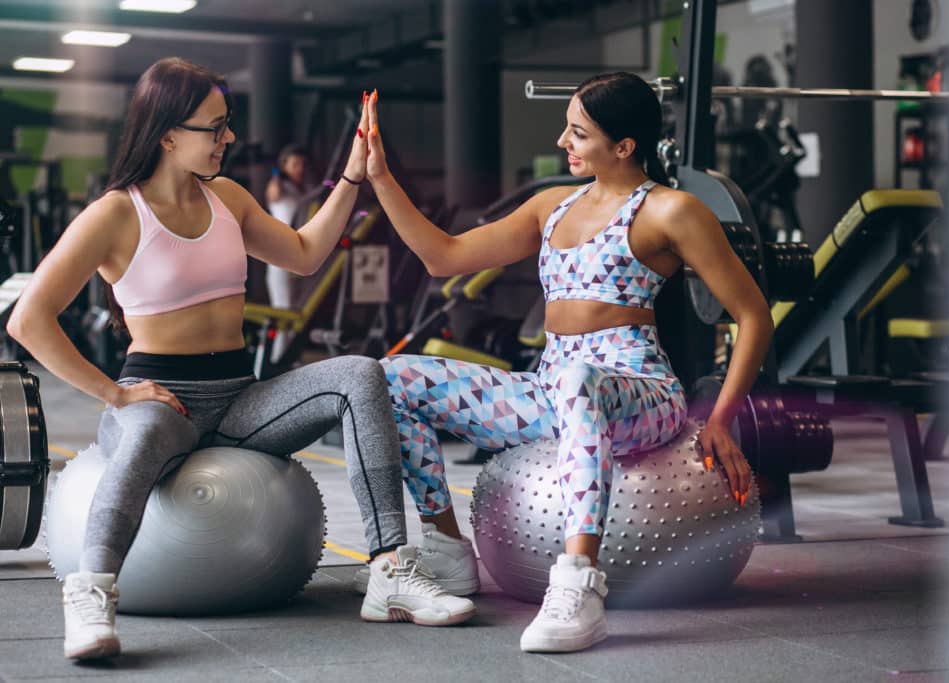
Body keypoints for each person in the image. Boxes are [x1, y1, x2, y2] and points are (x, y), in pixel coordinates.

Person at [6, 58, 475, 662]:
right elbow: (28, 319)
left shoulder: (228, 197)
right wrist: (115, 395)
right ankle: (91, 594)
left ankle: (389, 570)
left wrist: (352, 179)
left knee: (360, 374)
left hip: (237, 396)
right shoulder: (116, 213)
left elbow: (306, 254)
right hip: (159, 397)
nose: (228, 138)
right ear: (168, 134)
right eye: (215, 126)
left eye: (227, 124)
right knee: (148, 427)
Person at [359, 72, 774, 653]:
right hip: (553, 384)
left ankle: (579, 584)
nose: (563, 142)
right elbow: (441, 256)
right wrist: (379, 177)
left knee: (580, 381)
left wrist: (724, 418)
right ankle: (448, 547)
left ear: (624, 146)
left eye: (578, 133)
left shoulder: (670, 211)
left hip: (638, 388)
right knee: (391, 377)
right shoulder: (551, 207)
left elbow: (753, 315)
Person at [264, 144, 313, 363]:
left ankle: (291, 358)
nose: (299, 168)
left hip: (298, 250)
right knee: (283, 308)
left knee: (297, 309)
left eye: (301, 164)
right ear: (284, 165)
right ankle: (277, 359)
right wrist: (276, 175)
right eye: (294, 164)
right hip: (278, 252)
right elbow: (273, 194)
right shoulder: (278, 186)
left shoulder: (303, 189)